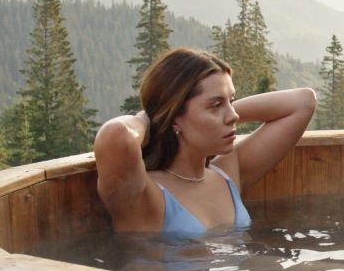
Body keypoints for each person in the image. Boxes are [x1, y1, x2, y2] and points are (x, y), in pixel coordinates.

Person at [94, 47, 317, 235]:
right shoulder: (144, 197)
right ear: (176, 117)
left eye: (231, 101)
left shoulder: (227, 174)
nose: (234, 116)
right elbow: (117, 134)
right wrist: (152, 117)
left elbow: (303, 102)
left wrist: (219, 113)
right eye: (216, 105)